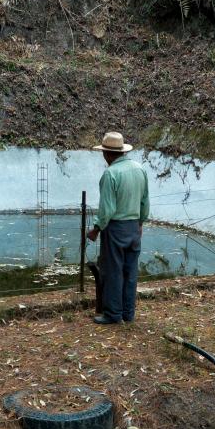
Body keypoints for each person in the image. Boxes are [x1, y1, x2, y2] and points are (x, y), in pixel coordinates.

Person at [86, 131, 149, 325]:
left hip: (115, 229)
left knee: (113, 271)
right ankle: (128, 313)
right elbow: (144, 202)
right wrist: (140, 223)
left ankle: (113, 314)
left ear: (106, 153)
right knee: (130, 273)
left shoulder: (110, 174)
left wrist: (96, 229)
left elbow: (107, 209)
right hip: (133, 228)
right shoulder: (140, 170)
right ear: (122, 151)